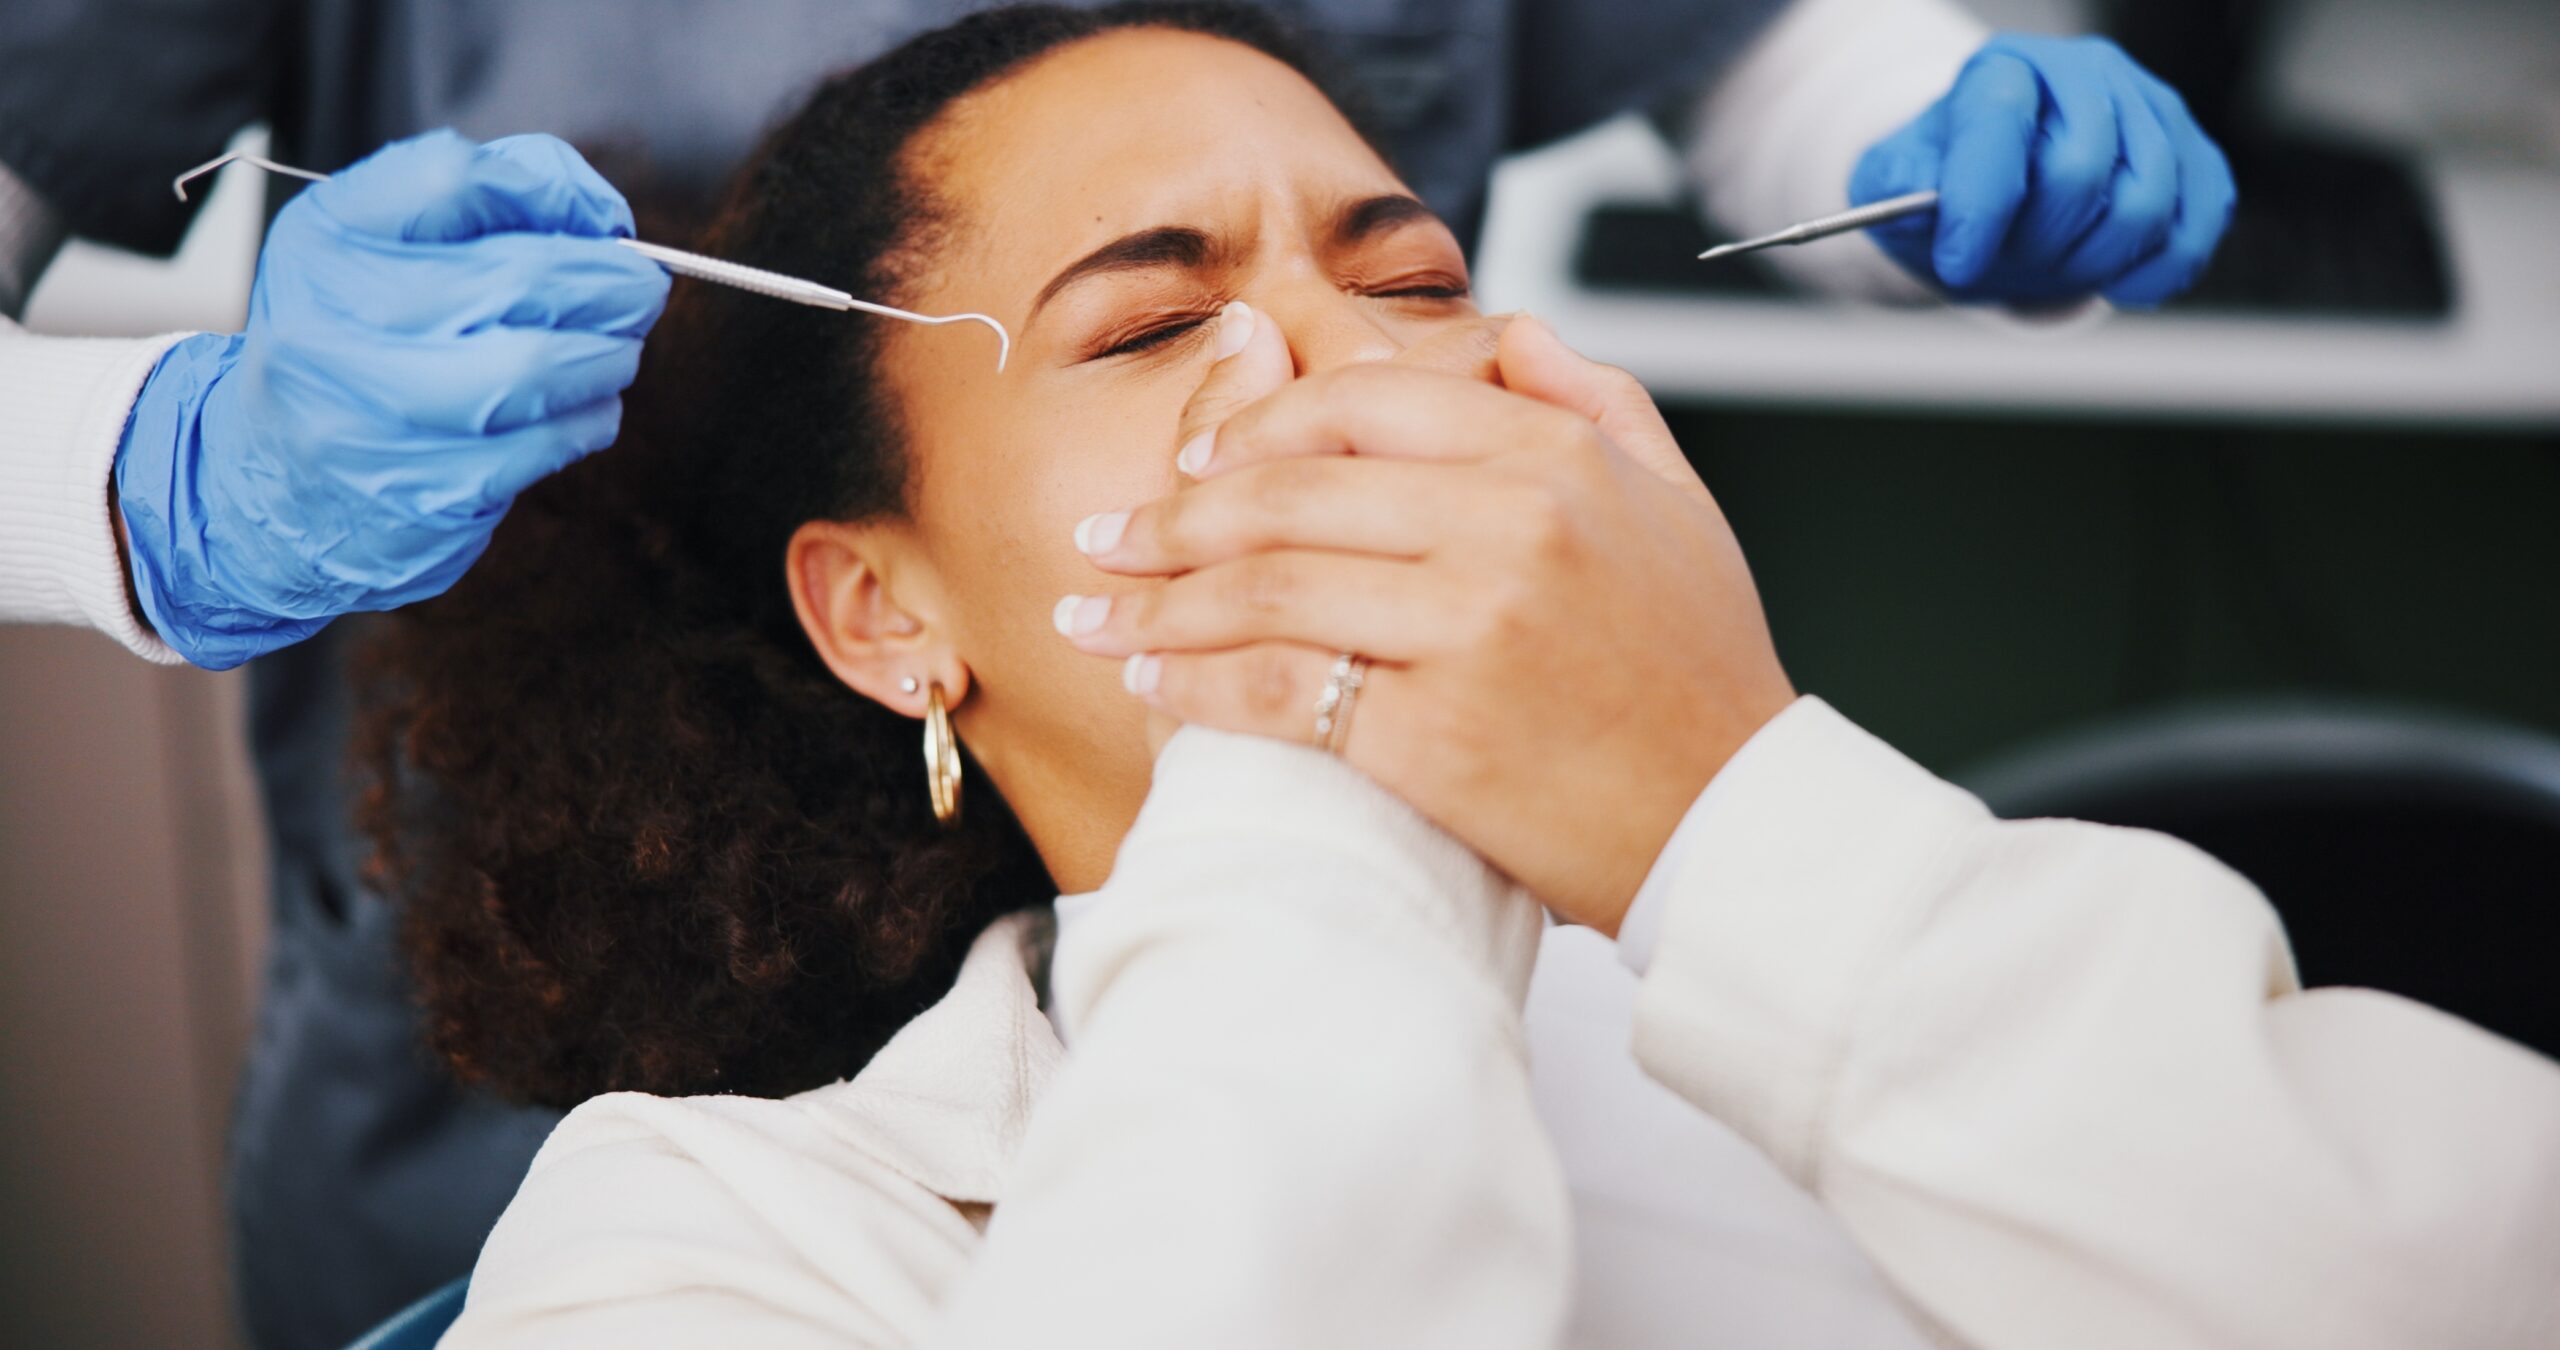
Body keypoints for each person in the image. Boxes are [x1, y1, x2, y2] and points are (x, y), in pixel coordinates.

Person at [0, 0, 2237, 1344]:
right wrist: (142, 476)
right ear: (877, 603)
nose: (1322, 370)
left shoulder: (1769, 1010)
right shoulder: (683, 1250)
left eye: (1417, 276)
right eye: (1152, 323)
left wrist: (1923, 129)